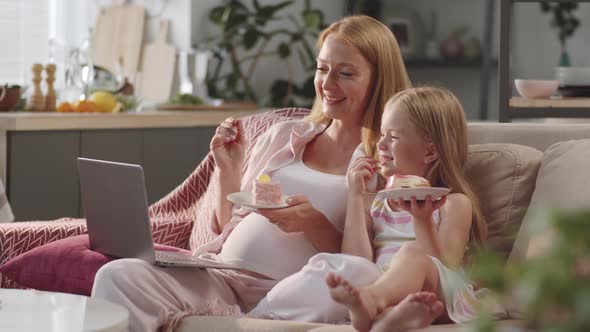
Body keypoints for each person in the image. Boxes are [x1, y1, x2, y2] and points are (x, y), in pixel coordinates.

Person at [91, 15, 411, 332]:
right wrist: (228, 171)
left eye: (345, 73)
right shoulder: (283, 135)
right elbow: (233, 222)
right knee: (117, 275)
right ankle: (240, 318)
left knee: (355, 275)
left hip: (297, 291)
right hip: (224, 276)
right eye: (322, 68)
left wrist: (313, 224)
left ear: (378, 79)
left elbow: (363, 264)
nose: (327, 84)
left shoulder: (385, 160)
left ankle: (253, 320)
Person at [325, 86, 491, 332]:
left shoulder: (453, 203)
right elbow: (356, 262)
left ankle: (371, 301)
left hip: (443, 295)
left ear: (430, 151)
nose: (380, 144)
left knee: (411, 254)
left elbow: (447, 269)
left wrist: (422, 221)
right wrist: (355, 197)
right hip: (393, 291)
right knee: (396, 296)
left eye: (392, 137)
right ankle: (386, 321)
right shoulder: (376, 204)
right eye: (382, 134)